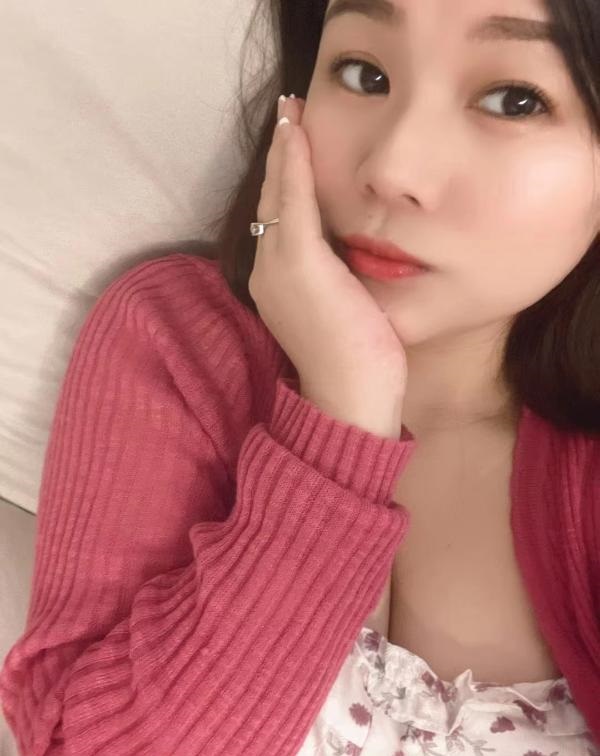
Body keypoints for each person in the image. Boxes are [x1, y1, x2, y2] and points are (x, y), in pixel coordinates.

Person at [2, 0, 600, 753]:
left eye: (514, 100)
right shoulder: (176, 342)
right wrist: (338, 424)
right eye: (364, 73)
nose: (392, 170)